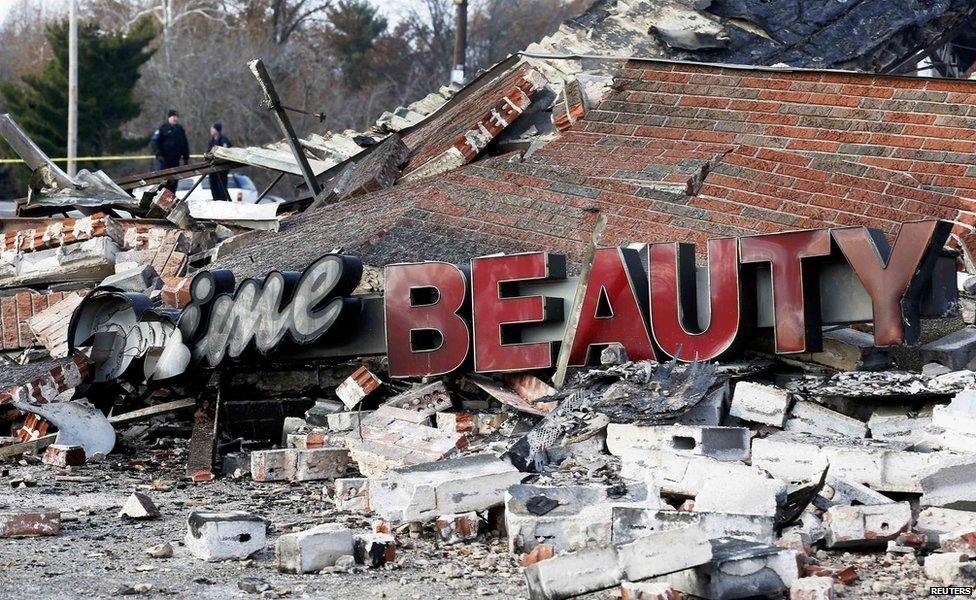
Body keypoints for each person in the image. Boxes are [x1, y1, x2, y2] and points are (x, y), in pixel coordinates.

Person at [150, 109, 190, 192]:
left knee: (174, 183)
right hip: (164, 161)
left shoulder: (180, 129)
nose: (175, 118)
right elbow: (154, 141)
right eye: (173, 117)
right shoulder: (163, 128)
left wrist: (186, 157)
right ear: (169, 117)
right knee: (163, 184)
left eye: (176, 117)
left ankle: (171, 200)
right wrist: (158, 154)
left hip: (175, 160)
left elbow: (185, 144)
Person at [207, 122, 232, 201]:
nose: (211, 130)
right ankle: (215, 201)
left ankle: (223, 202)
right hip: (212, 169)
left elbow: (226, 153)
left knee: (222, 189)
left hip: (221, 169)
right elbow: (208, 153)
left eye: (213, 128)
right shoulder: (211, 140)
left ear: (217, 130)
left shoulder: (224, 140)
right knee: (213, 187)